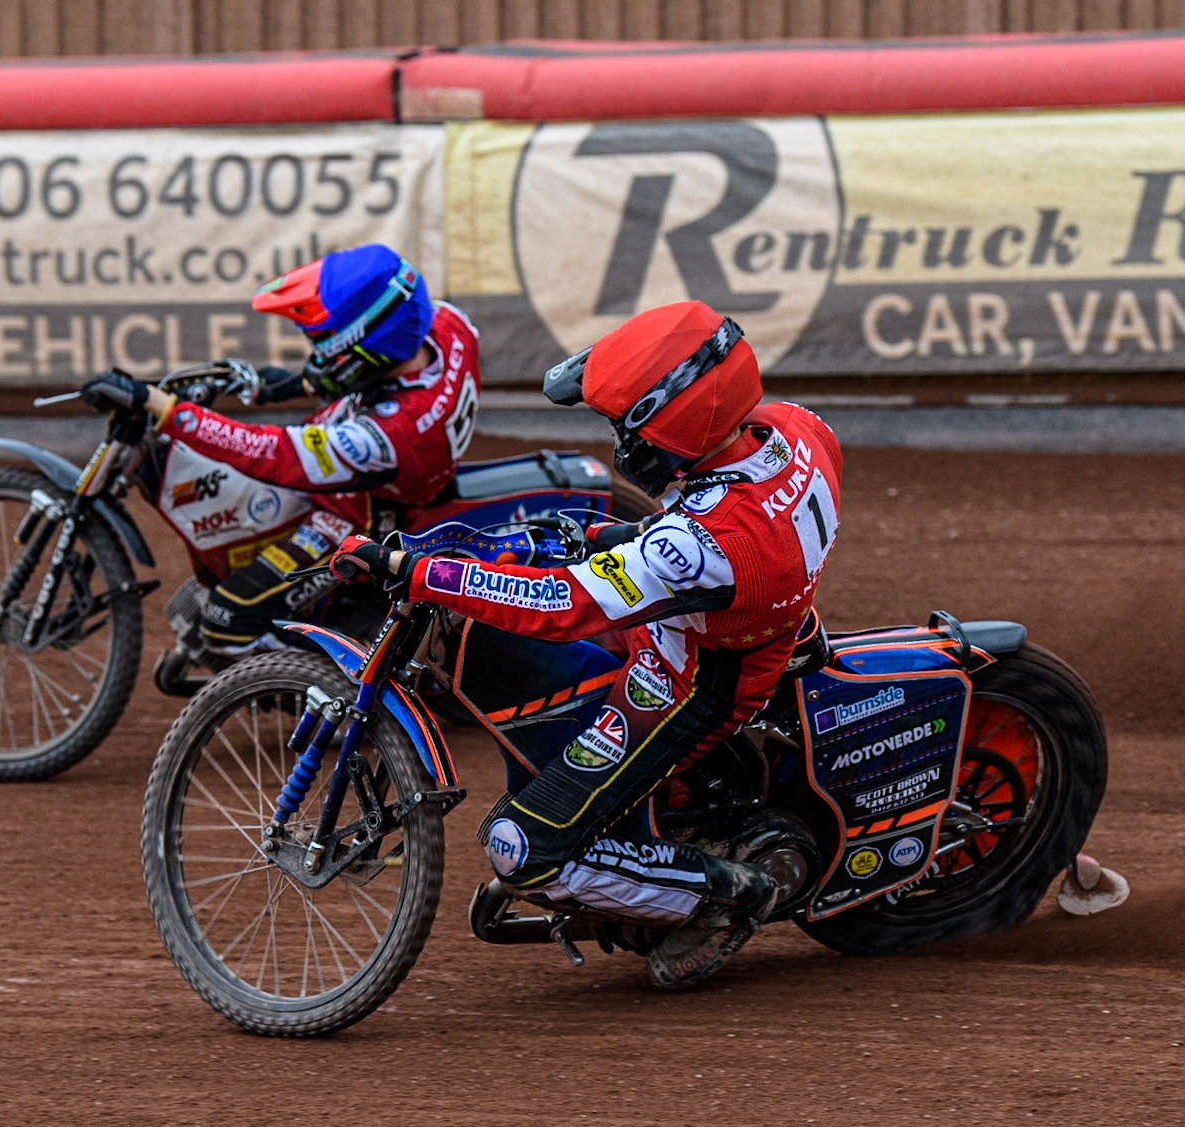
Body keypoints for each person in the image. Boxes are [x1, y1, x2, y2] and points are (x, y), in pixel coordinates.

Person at [332, 299, 844, 989]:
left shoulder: (705, 545)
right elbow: (721, 516)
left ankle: (730, 895)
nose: (619, 440)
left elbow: (560, 605)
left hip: (692, 684)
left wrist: (418, 571)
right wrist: (622, 538)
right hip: (743, 617)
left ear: (675, 420)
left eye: (625, 425)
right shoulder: (793, 428)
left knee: (522, 850)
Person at [79, 243, 481, 659]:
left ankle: (340, 688)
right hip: (368, 471)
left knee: (226, 620)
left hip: (351, 517)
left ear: (370, 347)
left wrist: (166, 410)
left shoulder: (391, 434)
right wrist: (279, 387)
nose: (317, 351)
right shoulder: (449, 325)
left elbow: (272, 453)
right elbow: (363, 373)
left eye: (323, 340)